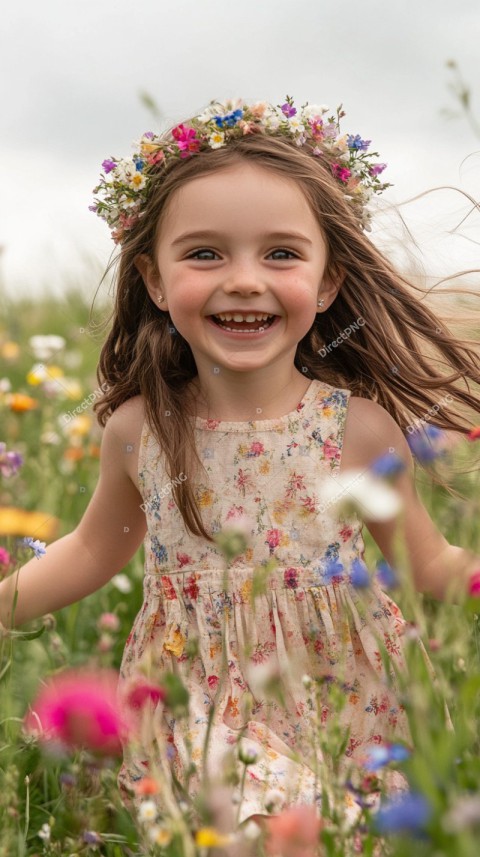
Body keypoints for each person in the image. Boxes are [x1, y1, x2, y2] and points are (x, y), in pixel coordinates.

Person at [1, 97, 480, 828]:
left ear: (328, 284)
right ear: (155, 280)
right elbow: (95, 546)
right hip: (192, 697)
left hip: (341, 705)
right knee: (235, 815)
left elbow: (422, 561)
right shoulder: (141, 428)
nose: (245, 279)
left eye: (281, 253)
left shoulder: (358, 429)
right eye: (204, 253)